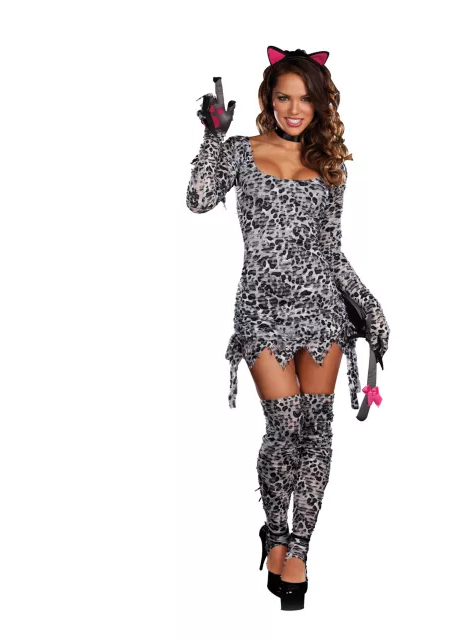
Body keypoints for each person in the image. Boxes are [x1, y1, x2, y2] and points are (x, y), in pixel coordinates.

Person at [186, 46, 390, 611]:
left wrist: (370, 308)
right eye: (284, 97)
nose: (295, 109)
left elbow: (332, 252)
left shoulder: (330, 166)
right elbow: (198, 200)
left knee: (317, 432)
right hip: (262, 310)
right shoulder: (240, 151)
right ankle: (274, 530)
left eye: (306, 99)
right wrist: (211, 138)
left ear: (320, 104)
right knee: (285, 426)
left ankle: (299, 546)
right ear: (269, 100)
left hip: (321, 310)